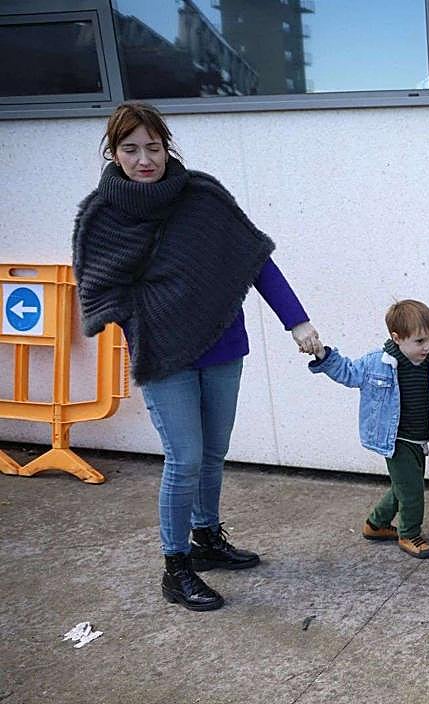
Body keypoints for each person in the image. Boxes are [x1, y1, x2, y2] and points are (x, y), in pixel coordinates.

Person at [73, 101, 323, 612]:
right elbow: (101, 287)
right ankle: (176, 566)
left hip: (224, 344)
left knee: (212, 452)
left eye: (153, 147)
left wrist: (297, 321)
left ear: (167, 147)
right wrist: (153, 313)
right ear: (113, 153)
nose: (145, 159)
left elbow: (256, 259)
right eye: (131, 149)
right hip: (163, 353)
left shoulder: (203, 196)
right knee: (184, 459)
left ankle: (207, 539)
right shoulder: (103, 215)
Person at [308, 299, 429, 558]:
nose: (428, 347)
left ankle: (375, 525)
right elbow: (347, 373)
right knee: (412, 491)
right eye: (420, 341)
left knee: (403, 485)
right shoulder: (375, 363)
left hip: (420, 438)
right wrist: (323, 355)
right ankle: (409, 533)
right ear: (397, 338)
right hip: (395, 439)